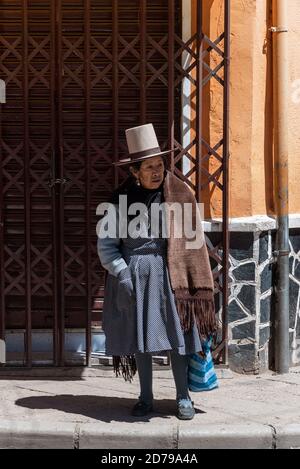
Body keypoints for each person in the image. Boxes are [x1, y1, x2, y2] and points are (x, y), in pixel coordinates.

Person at [97, 124, 217, 420]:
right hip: (134, 277)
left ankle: (182, 397)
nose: (156, 171)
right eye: (148, 167)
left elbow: (192, 238)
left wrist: (195, 269)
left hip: (171, 275)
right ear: (134, 171)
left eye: (160, 165)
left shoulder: (177, 194)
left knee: (179, 338)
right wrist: (122, 274)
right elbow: (107, 246)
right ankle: (145, 397)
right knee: (141, 341)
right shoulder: (118, 201)